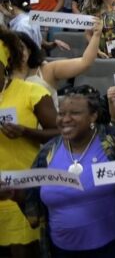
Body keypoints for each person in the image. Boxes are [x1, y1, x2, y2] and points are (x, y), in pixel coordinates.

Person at [5, 87, 115, 257]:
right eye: (61, 113)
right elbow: (32, 198)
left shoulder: (114, 145)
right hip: (60, 250)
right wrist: (12, 193)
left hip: (110, 249)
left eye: (74, 113)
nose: (65, 119)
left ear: (93, 116)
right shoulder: (47, 153)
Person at [0, 31, 58, 257]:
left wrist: (26, 132)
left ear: (5, 65)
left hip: (22, 192)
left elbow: (61, 135)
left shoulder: (31, 92)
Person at [13, 19, 101, 108]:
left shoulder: (47, 69)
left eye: (22, 48)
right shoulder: (5, 75)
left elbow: (85, 62)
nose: (19, 53)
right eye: (13, 50)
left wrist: (96, 36)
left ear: (29, 49)